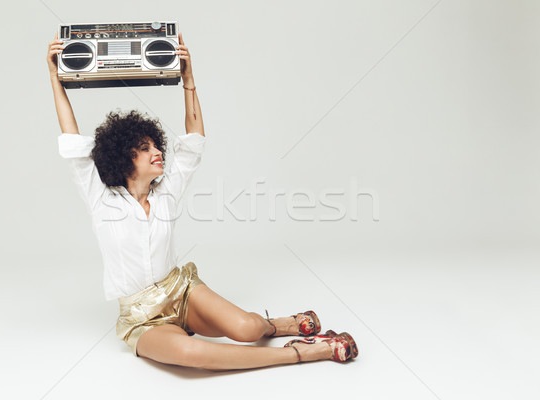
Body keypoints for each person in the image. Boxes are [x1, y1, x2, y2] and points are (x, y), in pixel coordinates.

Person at [46, 32, 358, 371]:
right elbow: (73, 143)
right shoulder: (100, 198)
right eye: (146, 148)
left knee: (249, 329)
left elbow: (193, 141)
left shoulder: (167, 192)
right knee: (192, 357)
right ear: (123, 156)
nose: (158, 152)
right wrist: (54, 77)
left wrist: (188, 81)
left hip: (180, 292)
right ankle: (307, 351)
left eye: (157, 145)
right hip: (142, 319)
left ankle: (279, 325)